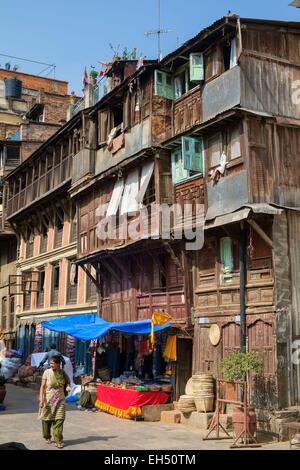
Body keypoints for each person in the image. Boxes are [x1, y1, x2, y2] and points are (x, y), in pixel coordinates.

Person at [39, 356, 71, 448]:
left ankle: (58, 440)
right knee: (47, 420)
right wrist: (41, 399)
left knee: (60, 419)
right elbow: (43, 386)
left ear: (58, 364)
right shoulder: (47, 372)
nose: (51, 365)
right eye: (50, 363)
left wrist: (67, 386)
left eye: (53, 363)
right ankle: (47, 436)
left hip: (60, 399)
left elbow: (67, 382)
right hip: (49, 400)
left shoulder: (62, 373)